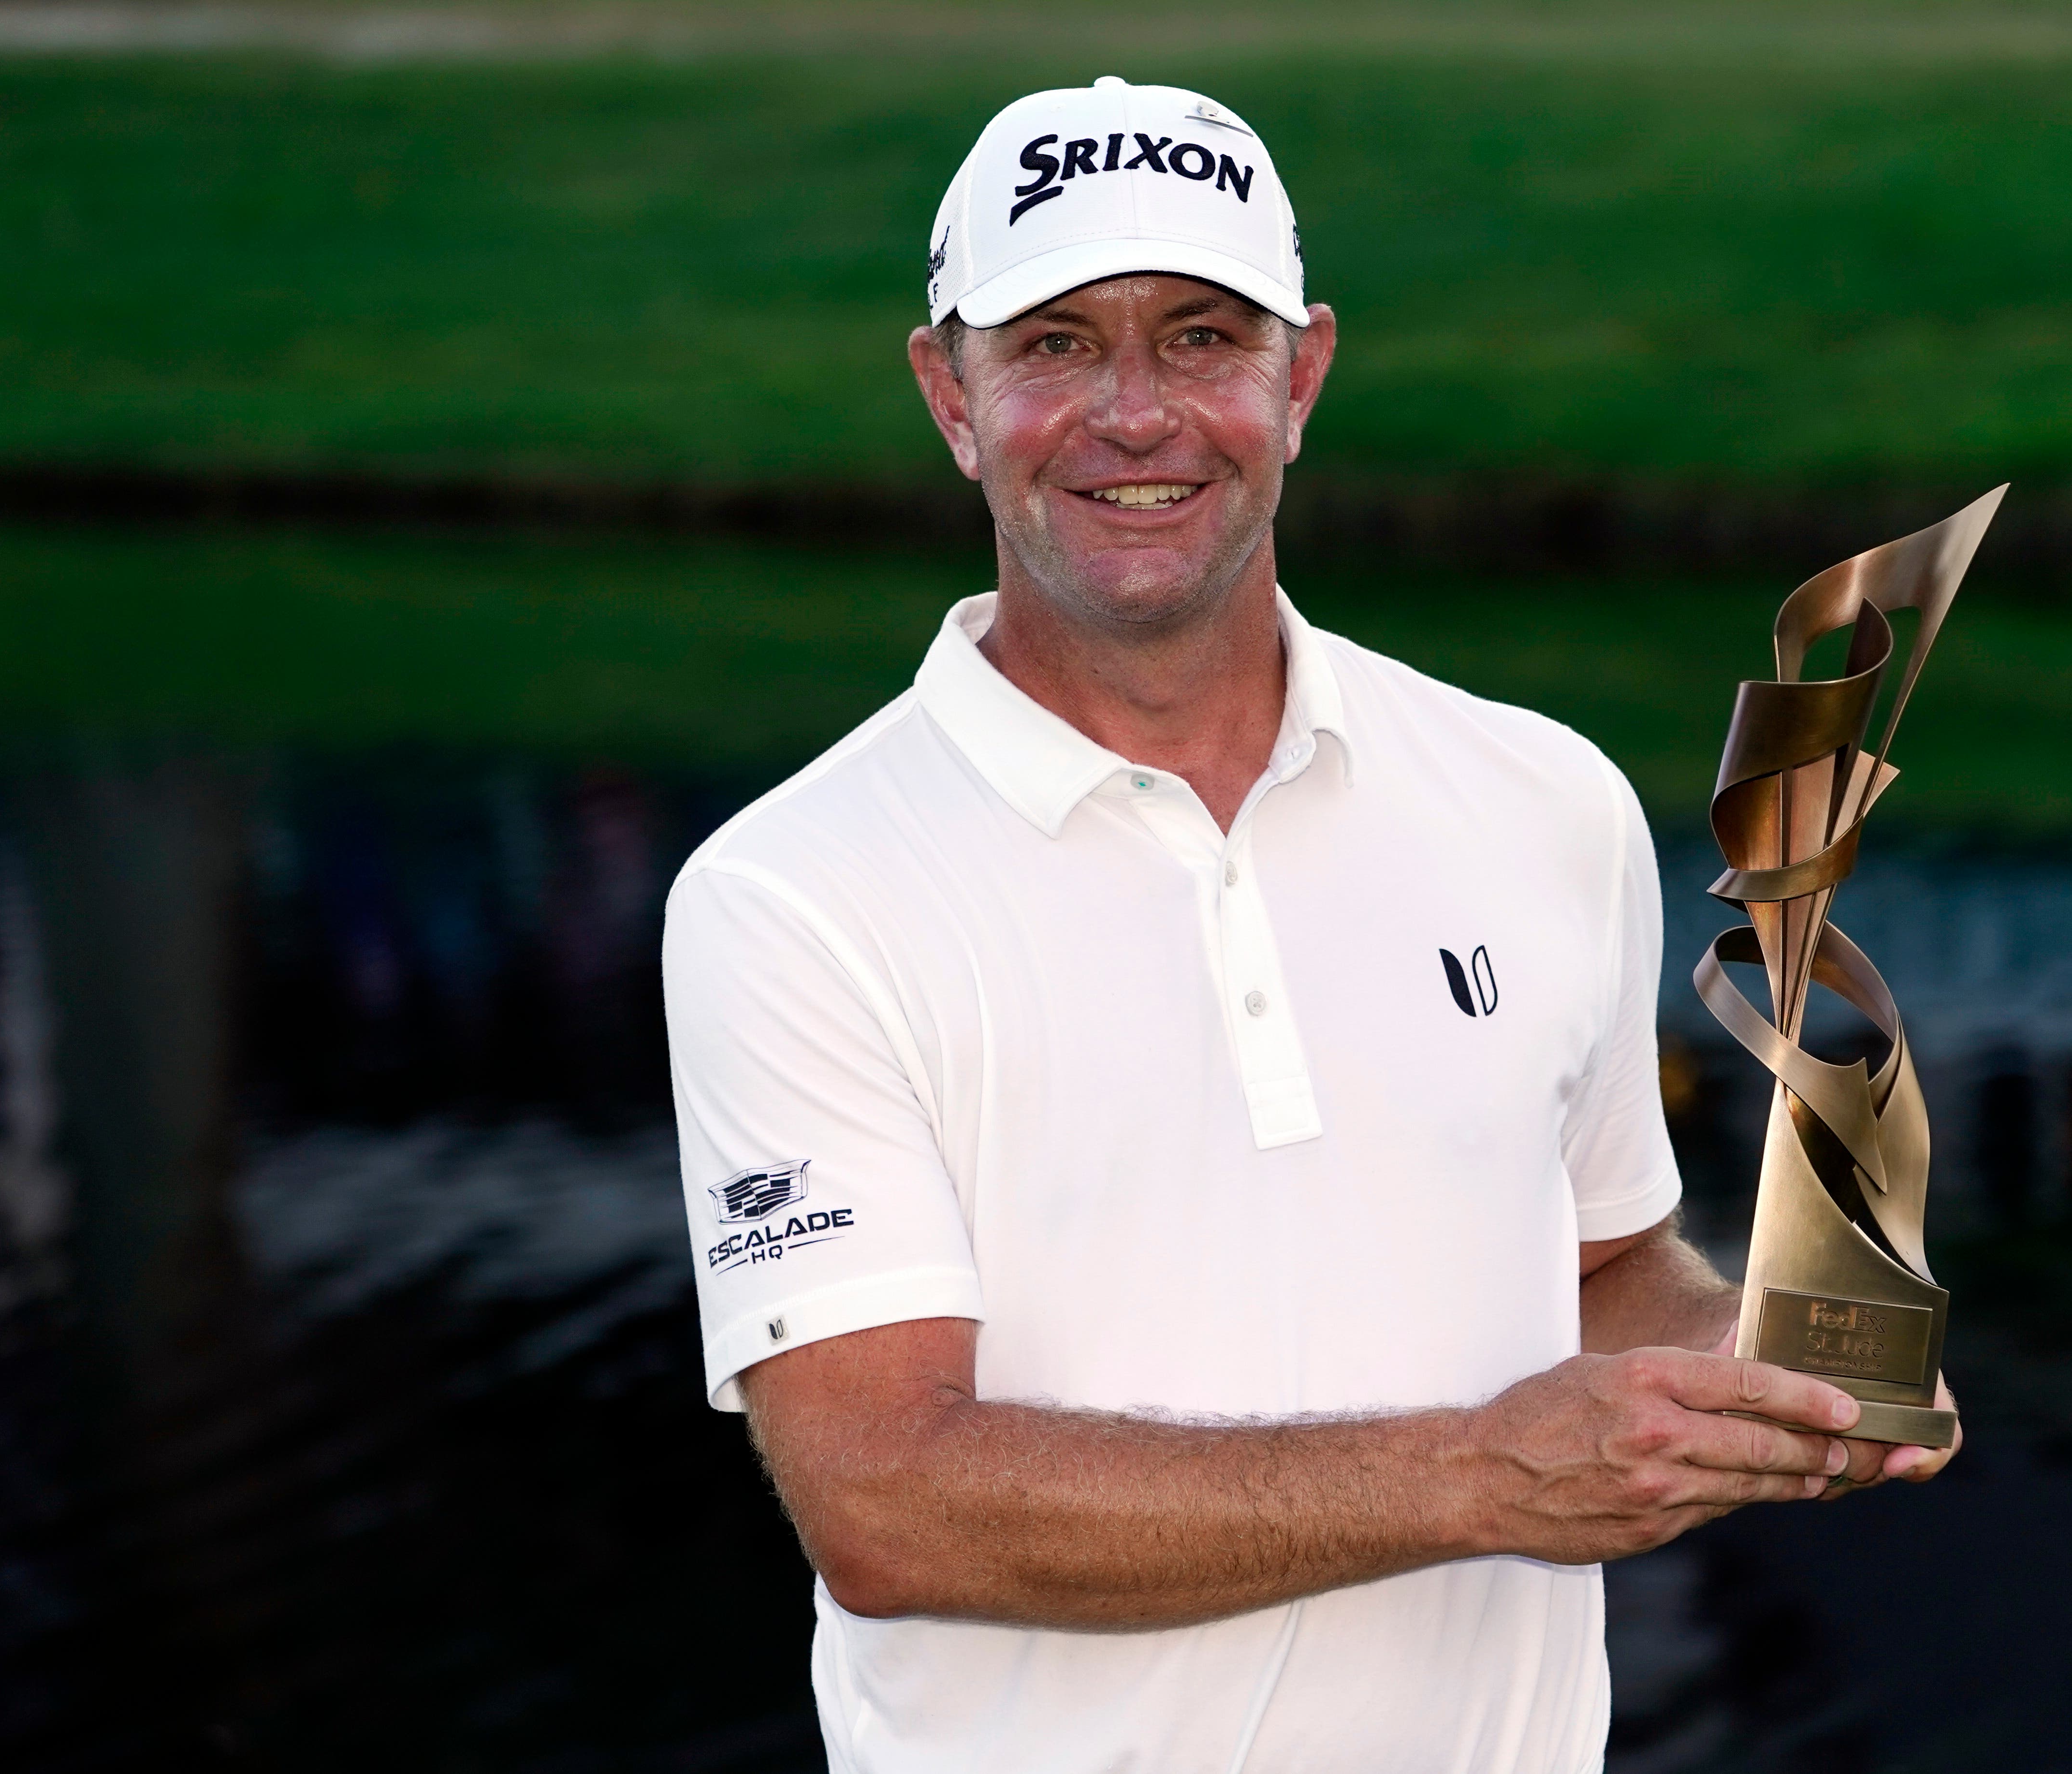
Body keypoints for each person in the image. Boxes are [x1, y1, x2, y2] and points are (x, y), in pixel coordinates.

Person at [662, 75, 1958, 1774]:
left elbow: (1600, 1270)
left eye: (1204, 338)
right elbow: (890, 1505)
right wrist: (1489, 1473)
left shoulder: (1539, 798)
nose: (1136, 415)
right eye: (1053, 344)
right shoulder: (793, 894)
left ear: (1307, 376)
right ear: (950, 395)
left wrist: (1766, 1365)